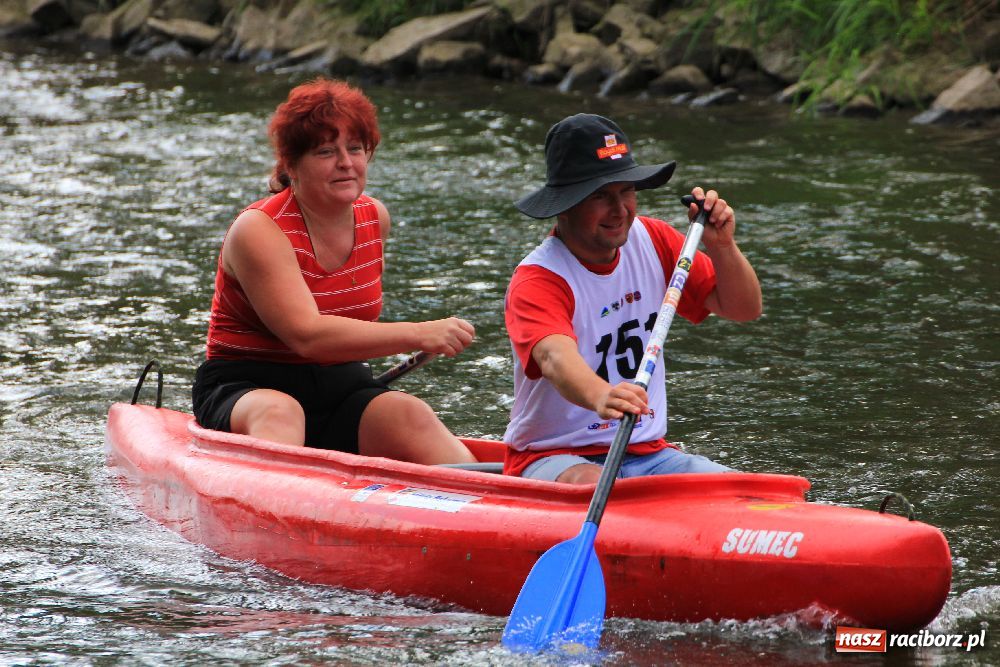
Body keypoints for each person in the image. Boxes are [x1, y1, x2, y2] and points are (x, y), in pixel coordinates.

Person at [192, 78, 476, 465]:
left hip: (339, 386)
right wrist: (420, 333)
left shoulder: (375, 218)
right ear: (292, 165)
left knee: (410, 413)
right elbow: (307, 336)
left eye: (355, 149)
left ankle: (503, 512)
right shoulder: (258, 229)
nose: (346, 162)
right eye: (326, 151)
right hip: (247, 387)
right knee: (282, 413)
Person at [503, 113, 762, 484]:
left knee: (743, 490)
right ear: (566, 204)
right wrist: (601, 396)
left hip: (647, 452)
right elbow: (554, 357)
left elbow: (744, 309)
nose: (620, 209)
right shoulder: (539, 279)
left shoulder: (655, 241)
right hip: (555, 455)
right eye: (600, 196)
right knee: (593, 484)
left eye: (626, 191)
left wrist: (723, 248)